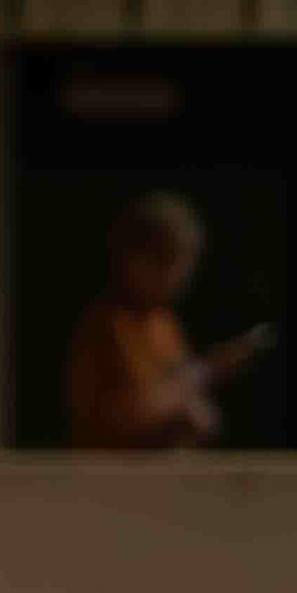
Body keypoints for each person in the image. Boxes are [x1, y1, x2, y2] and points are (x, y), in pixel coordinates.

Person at [65, 191, 269, 450]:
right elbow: (132, 411)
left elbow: (181, 397)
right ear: (133, 258)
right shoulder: (109, 323)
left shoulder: (163, 322)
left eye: (185, 265)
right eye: (168, 262)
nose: (179, 278)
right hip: (108, 476)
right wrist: (207, 371)